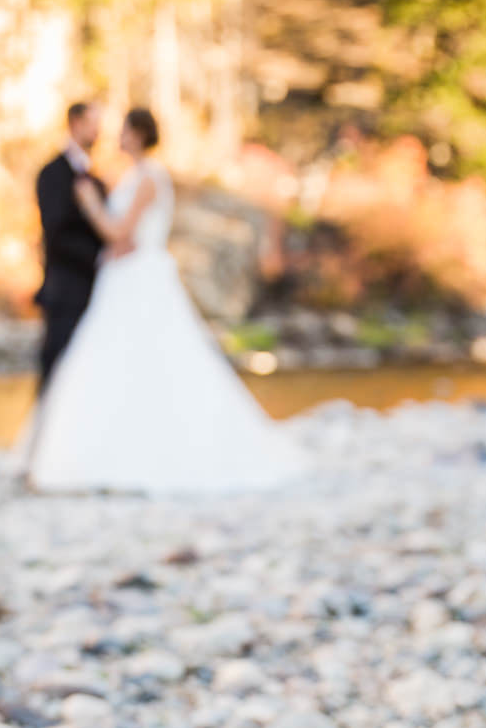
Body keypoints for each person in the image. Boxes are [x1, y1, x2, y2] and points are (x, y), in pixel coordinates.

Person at [28, 107, 304, 494]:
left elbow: (120, 232)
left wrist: (90, 205)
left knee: (156, 359)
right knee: (118, 363)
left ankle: (152, 450)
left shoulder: (148, 178)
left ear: (139, 134)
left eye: (123, 131)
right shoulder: (126, 177)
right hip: (121, 278)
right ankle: (103, 449)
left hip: (140, 277)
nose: (115, 137)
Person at [33, 102, 106, 393]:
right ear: (75, 123)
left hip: (99, 291)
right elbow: (56, 233)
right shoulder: (52, 174)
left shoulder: (96, 179)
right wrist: (99, 259)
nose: (98, 130)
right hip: (65, 289)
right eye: (93, 122)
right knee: (56, 366)